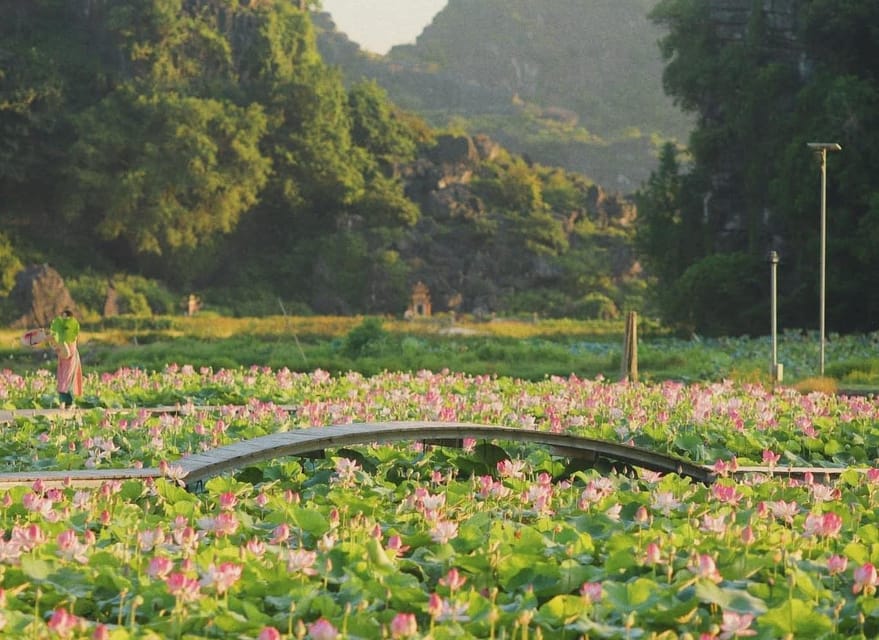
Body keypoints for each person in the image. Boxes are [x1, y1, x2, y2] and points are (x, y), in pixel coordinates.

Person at [49, 309, 82, 408]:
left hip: (71, 359)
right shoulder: (60, 332)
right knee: (62, 379)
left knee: (68, 380)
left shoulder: (72, 331)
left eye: (66, 317)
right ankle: (63, 401)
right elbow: (57, 345)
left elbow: (69, 348)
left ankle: (70, 402)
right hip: (63, 359)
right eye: (62, 317)